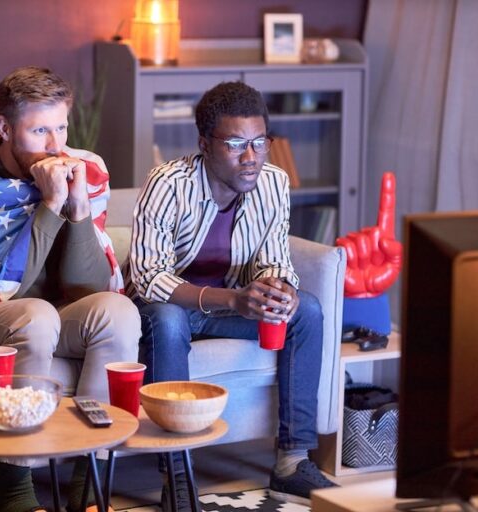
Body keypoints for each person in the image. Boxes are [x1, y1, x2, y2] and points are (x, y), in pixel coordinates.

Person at [0, 66, 140, 512]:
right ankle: (17, 490)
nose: (54, 145)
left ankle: (89, 482)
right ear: (5, 128)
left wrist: (78, 207)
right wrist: (49, 205)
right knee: (36, 314)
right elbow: (11, 288)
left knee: (119, 311)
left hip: (54, 316)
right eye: (39, 130)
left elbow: (87, 287)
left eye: (61, 128)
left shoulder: (84, 169)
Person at [127, 81, 337, 509]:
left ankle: (292, 464)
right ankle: (177, 474)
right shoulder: (168, 183)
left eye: (260, 142)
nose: (251, 157)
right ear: (205, 144)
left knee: (309, 311)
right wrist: (232, 300)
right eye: (236, 144)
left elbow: (274, 258)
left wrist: (279, 290)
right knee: (167, 319)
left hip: (229, 308)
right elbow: (148, 277)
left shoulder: (273, 182)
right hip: (168, 309)